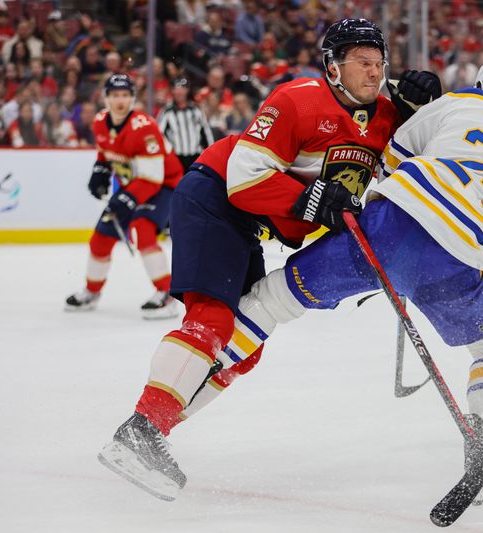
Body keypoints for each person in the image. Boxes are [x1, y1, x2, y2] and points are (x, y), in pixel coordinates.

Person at [97, 18, 442, 500]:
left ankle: (150, 431)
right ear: (333, 67)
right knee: (213, 318)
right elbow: (243, 176)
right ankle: (141, 430)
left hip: (248, 222)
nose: (373, 69)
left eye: (378, 61)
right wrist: (315, 201)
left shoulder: (386, 115)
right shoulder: (296, 100)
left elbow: (409, 161)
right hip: (214, 196)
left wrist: (426, 108)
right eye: (360, 60)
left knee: (246, 346)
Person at [178, 51, 483, 503]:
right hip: (457, 256)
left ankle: (177, 401)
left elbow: (391, 160)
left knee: (272, 299)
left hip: (387, 230)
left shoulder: (459, 102)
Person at [65, 74, 184, 319]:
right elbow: (106, 154)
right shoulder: (99, 122)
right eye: (115, 95)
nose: (121, 100)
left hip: (164, 186)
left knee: (143, 229)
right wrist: (100, 171)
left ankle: (166, 294)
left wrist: (127, 199)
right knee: (100, 238)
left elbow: (152, 178)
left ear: (132, 98)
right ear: (106, 98)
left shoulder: (145, 128)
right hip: (135, 186)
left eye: (125, 95)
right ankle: (92, 291)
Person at [157, 77, 214, 171]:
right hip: (176, 157)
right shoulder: (167, 112)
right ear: (172, 91)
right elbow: (160, 134)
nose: (179, 92)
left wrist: (210, 153)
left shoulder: (196, 110)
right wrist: (166, 155)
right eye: (176, 88)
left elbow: (206, 133)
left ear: (187, 90)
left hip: (195, 156)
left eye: (182, 88)